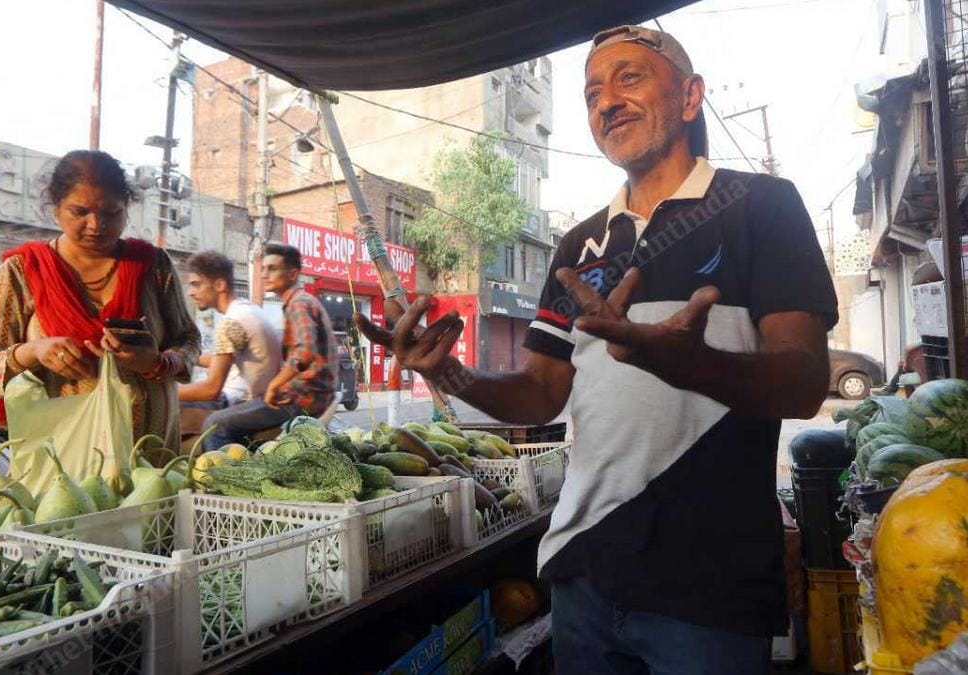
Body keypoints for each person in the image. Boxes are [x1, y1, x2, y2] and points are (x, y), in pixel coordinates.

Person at [357, 25, 838, 674]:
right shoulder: (579, 246)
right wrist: (453, 372)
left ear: (691, 97)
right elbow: (541, 390)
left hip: (709, 588)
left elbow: (807, 381)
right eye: (590, 93)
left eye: (630, 78)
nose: (606, 101)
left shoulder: (760, 206)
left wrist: (694, 364)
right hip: (584, 571)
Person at [0, 150, 202, 451]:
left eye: (110, 213)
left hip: (148, 451)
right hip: (61, 455)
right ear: (56, 209)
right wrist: (33, 351)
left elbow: (188, 338)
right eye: (80, 212)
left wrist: (158, 362)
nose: (96, 225)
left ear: (126, 209)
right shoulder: (23, 271)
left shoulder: (153, 265)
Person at [201, 244, 337, 448]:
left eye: (272, 269)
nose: (264, 275)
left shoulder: (299, 304)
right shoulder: (300, 301)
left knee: (214, 424)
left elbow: (305, 351)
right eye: (263, 268)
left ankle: (220, 478)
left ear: (293, 274)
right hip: (307, 394)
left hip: (303, 398)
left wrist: (274, 385)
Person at [178, 250, 281, 410]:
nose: (190, 292)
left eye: (196, 284)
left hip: (238, 401)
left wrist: (166, 392)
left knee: (163, 403)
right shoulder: (247, 310)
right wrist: (186, 356)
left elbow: (211, 390)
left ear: (220, 285)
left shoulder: (232, 322)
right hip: (252, 397)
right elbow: (222, 360)